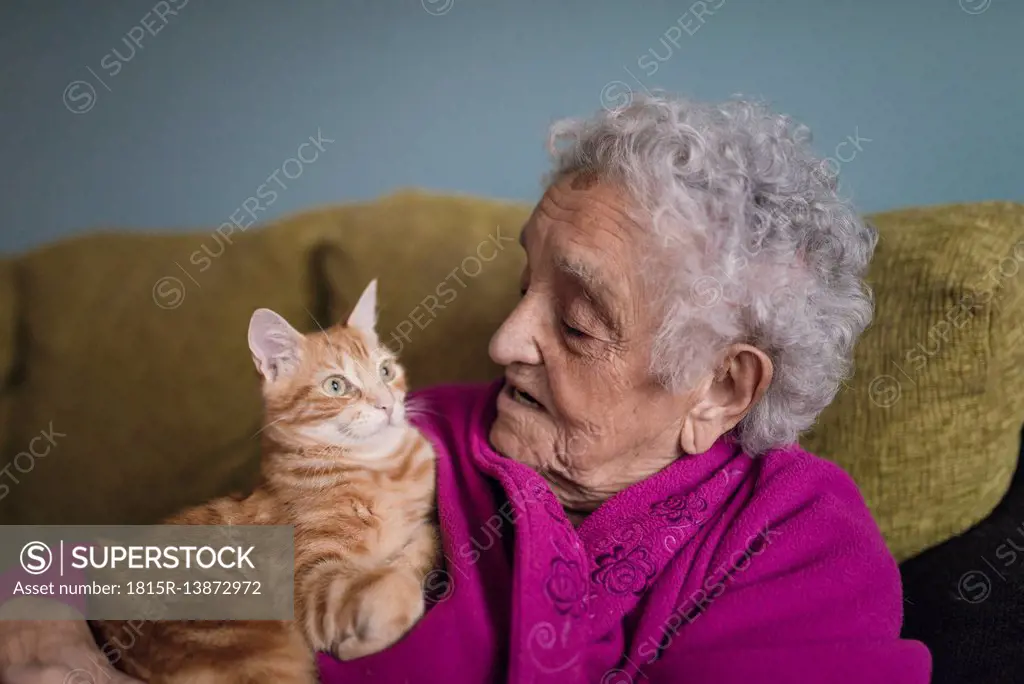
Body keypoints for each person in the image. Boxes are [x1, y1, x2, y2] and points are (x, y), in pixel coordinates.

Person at [0, 94, 931, 683]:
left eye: (575, 322)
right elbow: (207, 561)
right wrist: (53, 598)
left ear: (721, 390)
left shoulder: (794, 542)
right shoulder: (424, 434)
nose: (502, 339)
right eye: (522, 284)